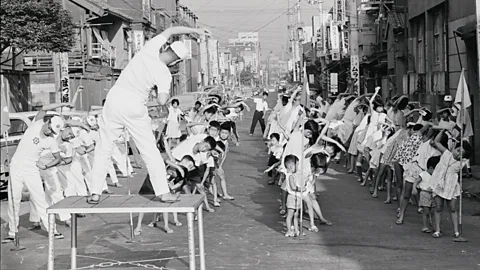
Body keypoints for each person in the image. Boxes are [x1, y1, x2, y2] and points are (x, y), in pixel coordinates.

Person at [86, 26, 211, 204]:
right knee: (150, 152)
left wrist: (194, 30)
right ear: (176, 62)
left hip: (114, 100)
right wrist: (163, 93)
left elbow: (170, 30)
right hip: (135, 105)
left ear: (167, 48)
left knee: (103, 148)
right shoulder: (164, 73)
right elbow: (161, 100)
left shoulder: (149, 49)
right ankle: (163, 192)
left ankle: (95, 193)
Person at [3, 103, 75, 243]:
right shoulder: (36, 124)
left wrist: (46, 165)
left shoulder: (50, 141)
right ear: (47, 122)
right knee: (13, 199)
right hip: (16, 166)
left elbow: (58, 158)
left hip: (32, 169)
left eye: (53, 132)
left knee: (40, 199)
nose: (50, 133)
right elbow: (45, 107)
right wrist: (63, 104)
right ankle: (13, 232)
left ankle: (52, 230)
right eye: (50, 129)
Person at [430, 130, 472, 238]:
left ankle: (456, 231)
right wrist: (442, 130)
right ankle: (437, 230)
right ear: (454, 148)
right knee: (438, 207)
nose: (458, 154)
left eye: (461, 154)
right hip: (440, 183)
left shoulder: (461, 163)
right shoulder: (446, 153)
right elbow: (437, 142)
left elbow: (466, 170)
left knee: (452, 208)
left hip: (451, 186)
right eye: (458, 150)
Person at [417, 156, 441, 233]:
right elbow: (416, 181)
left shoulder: (435, 176)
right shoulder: (423, 174)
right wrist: (414, 188)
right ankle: (424, 226)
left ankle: (434, 226)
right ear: (431, 168)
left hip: (433, 194)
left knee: (433, 211)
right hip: (425, 194)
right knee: (426, 211)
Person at [284, 155, 305, 237]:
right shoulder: (290, 176)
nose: (298, 167)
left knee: (296, 215)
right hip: (292, 197)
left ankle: (297, 230)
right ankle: (289, 231)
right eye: (297, 165)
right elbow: (293, 187)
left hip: (297, 197)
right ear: (291, 166)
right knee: (290, 215)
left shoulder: (293, 175)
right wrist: (300, 189)